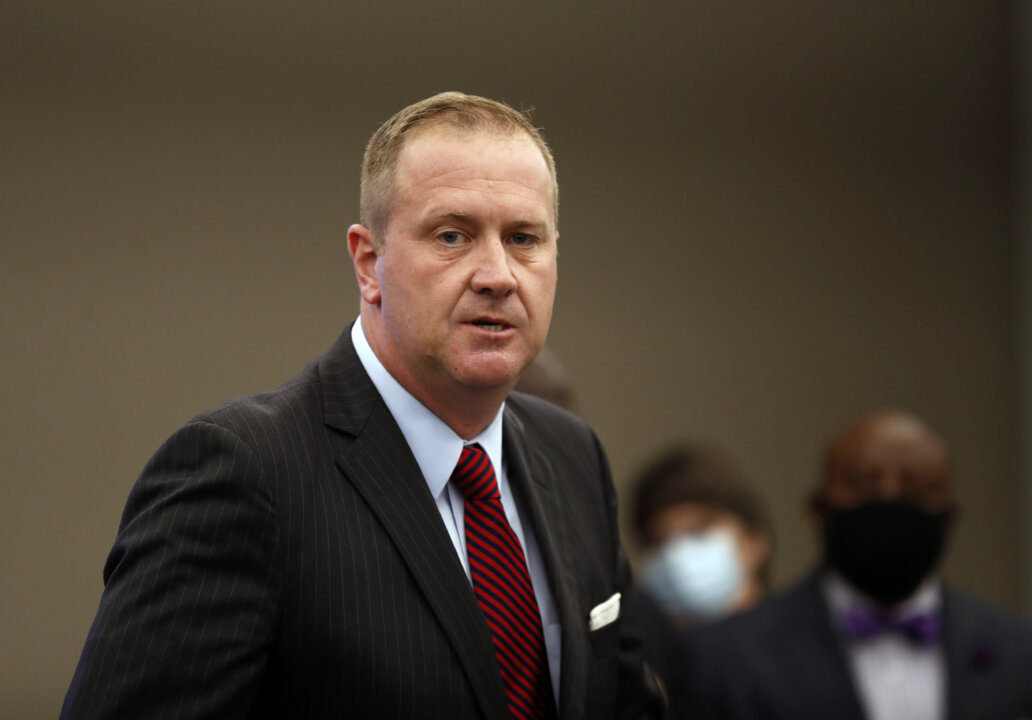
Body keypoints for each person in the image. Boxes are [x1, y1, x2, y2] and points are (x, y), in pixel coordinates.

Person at [61, 92, 661, 720]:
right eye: (452, 235)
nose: (498, 274)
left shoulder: (573, 458)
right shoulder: (246, 472)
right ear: (369, 264)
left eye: (523, 238)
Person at [669, 408, 1032, 720]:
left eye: (914, 489)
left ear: (949, 515)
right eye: (862, 486)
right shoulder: (724, 660)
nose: (889, 500)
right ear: (817, 509)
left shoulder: (1019, 654)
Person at [627, 445, 772, 696]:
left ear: (754, 539)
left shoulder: (810, 657)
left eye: (697, 532)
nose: (677, 557)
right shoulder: (646, 683)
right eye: (659, 543)